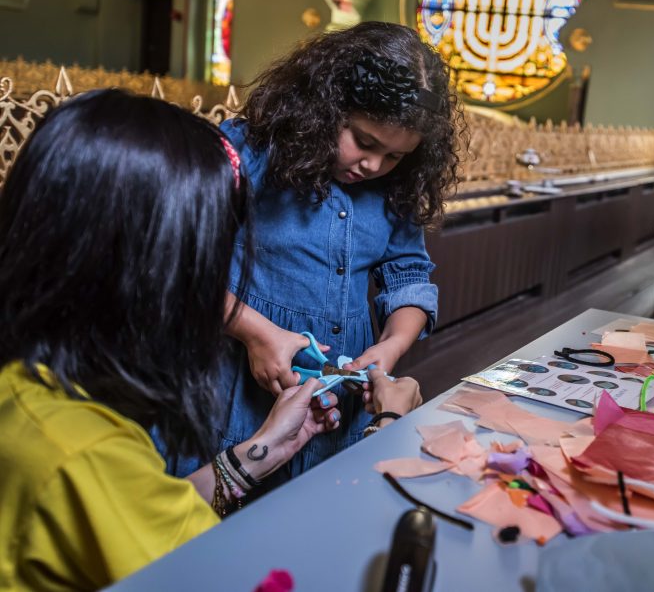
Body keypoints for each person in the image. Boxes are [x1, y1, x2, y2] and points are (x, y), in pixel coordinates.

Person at [0, 90, 422, 591]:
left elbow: (155, 508)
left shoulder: (31, 393)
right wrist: (387, 428)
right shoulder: (86, 453)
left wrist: (264, 448)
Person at [170, 22, 463, 483]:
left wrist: (392, 344)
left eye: (395, 156)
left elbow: (408, 274)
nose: (374, 165)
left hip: (335, 407)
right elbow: (175, 266)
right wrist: (254, 332)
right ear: (325, 107)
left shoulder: (394, 188)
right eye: (364, 142)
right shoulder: (246, 153)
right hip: (232, 388)